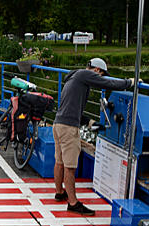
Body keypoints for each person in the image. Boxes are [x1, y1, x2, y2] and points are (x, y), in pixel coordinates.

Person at [53, 58, 136, 216]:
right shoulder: (85, 74)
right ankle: (73, 203)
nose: (101, 78)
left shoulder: (74, 77)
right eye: (102, 75)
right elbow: (109, 84)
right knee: (70, 168)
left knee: (60, 161)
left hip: (58, 124)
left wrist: (89, 122)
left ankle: (59, 192)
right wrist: (129, 82)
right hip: (69, 128)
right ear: (97, 70)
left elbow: (71, 107)